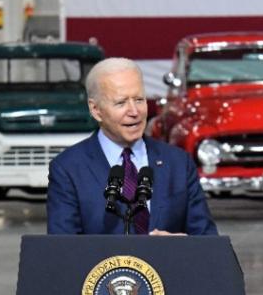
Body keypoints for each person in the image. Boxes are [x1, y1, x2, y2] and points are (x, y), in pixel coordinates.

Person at [47, 57, 218, 235]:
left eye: (138, 100)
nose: (134, 112)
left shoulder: (179, 163)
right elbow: (62, 251)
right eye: (121, 103)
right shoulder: (68, 169)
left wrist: (179, 247)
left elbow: (208, 241)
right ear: (96, 110)